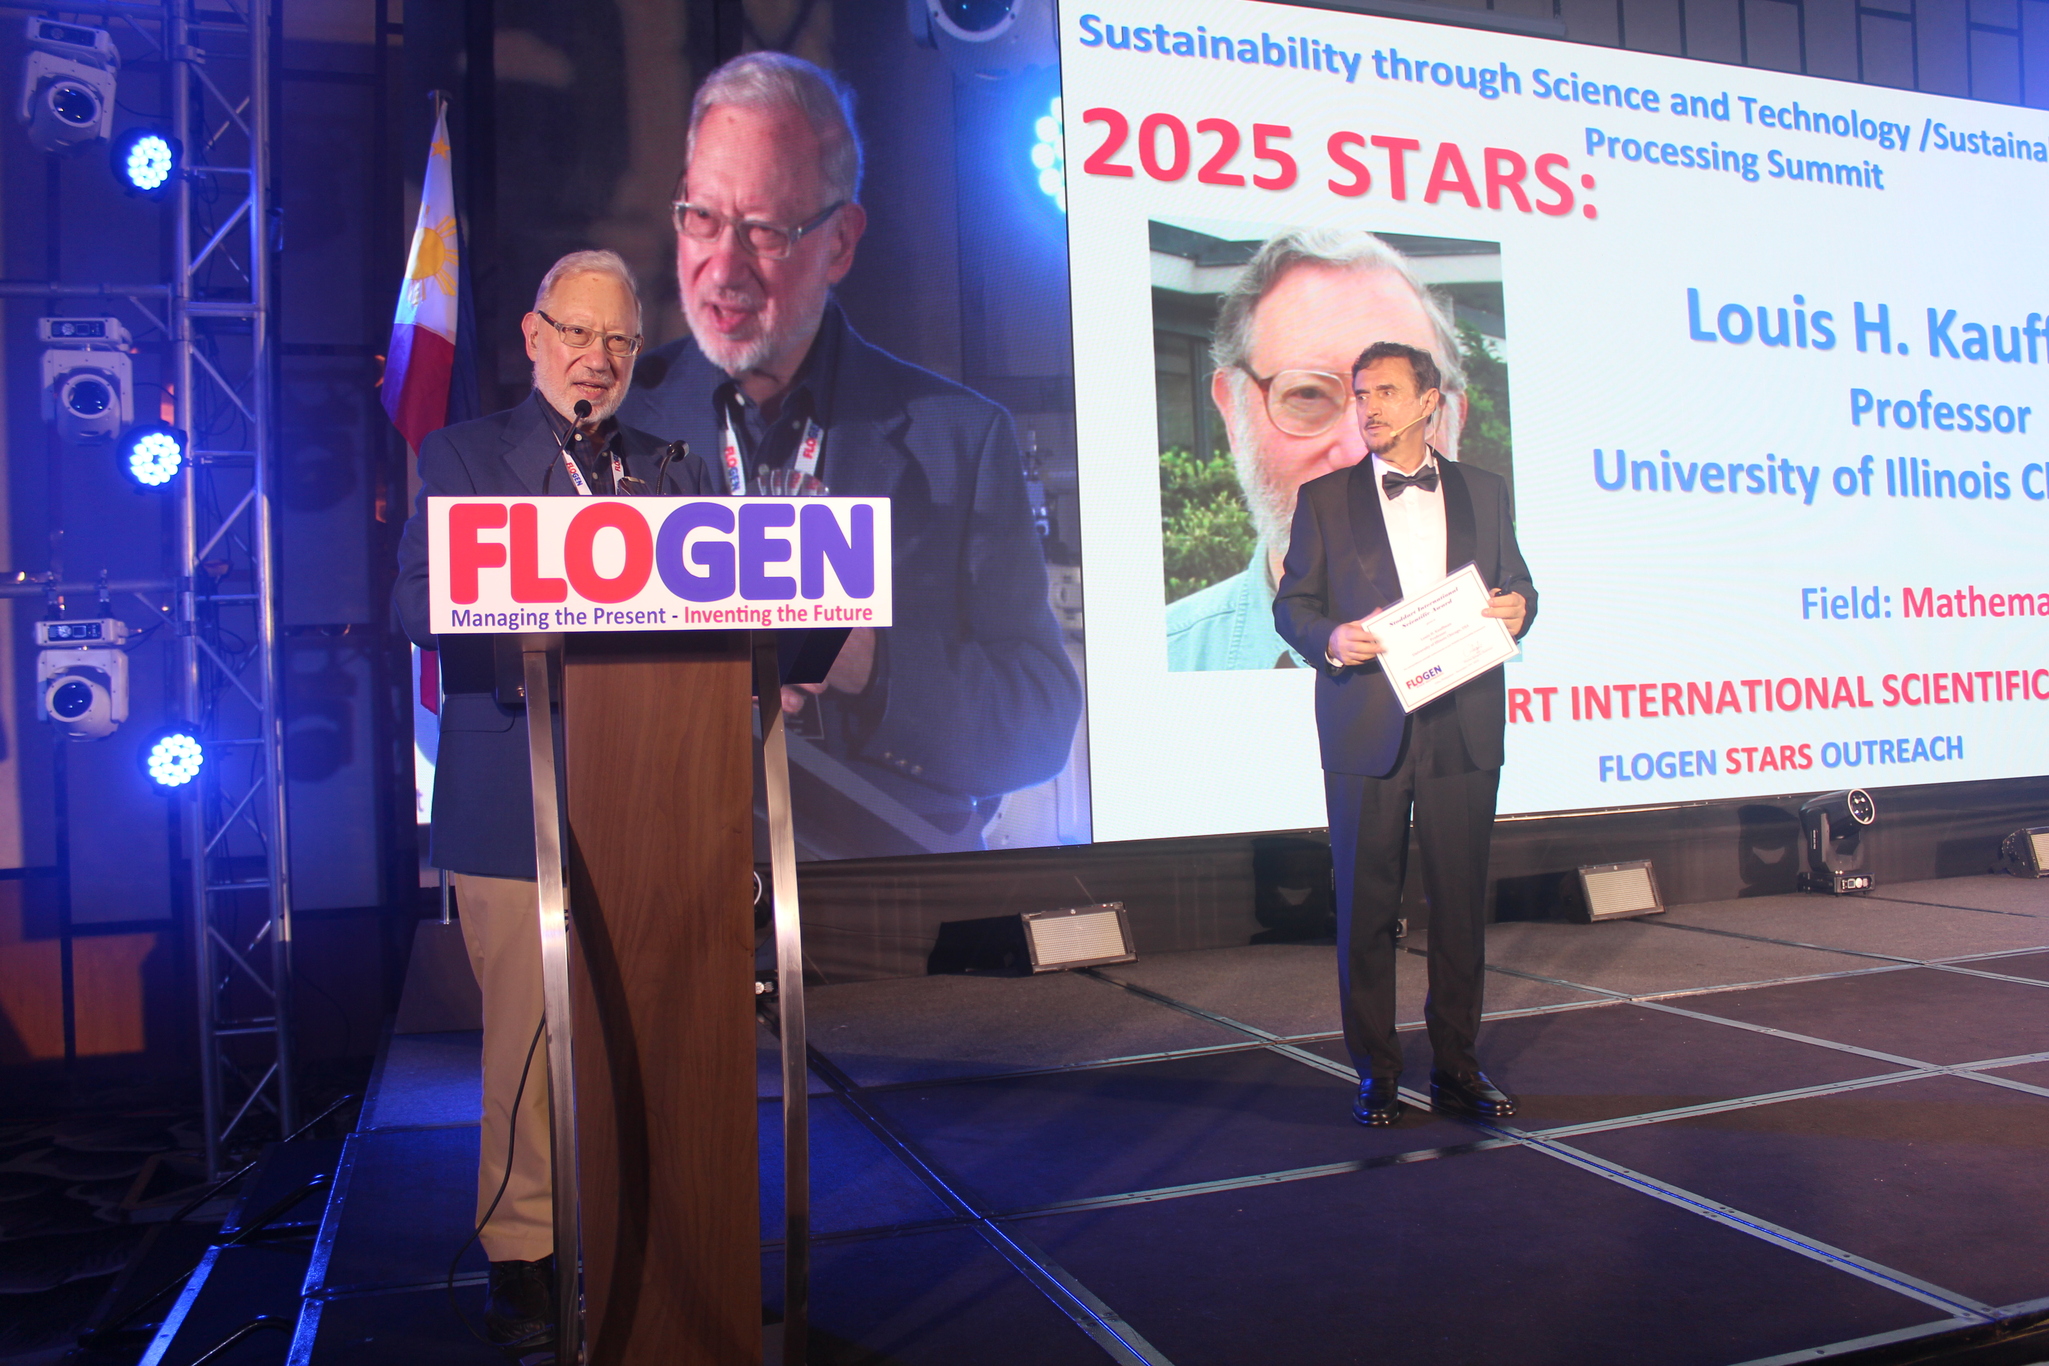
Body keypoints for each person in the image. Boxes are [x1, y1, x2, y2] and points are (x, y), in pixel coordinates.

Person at [619, 51, 1080, 848]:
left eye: (763, 230)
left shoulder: (959, 438)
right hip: (663, 871)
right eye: (702, 218)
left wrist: (865, 662)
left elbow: (1038, 723)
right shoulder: (610, 425)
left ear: (839, 242)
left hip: (885, 885)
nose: (722, 267)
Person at [394, 250, 713, 1352]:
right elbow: (416, 606)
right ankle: (522, 1252)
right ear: (534, 337)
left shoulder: (671, 468)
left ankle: (656, 1226)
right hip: (508, 788)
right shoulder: (465, 455)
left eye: (619, 340)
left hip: (652, 790)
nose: (597, 358)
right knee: (525, 1041)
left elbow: (719, 607)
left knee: (654, 1023)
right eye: (577, 334)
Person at [1273, 340, 1535, 1127]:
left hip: (1463, 721)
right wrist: (1331, 638)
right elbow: (1292, 605)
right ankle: (1376, 1073)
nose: (1368, 407)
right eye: (1360, 394)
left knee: (1458, 907)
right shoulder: (1324, 498)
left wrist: (1519, 606)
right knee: (1364, 907)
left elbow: (1516, 582)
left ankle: (1457, 1066)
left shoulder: (1484, 490)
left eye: (1384, 391)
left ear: (1428, 402)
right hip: (1365, 723)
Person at [1169, 229, 1471, 672]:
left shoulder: (1562, 646)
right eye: (1308, 394)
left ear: (1455, 418)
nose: (1360, 451)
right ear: (1233, 411)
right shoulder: (1165, 658)